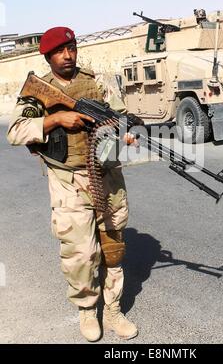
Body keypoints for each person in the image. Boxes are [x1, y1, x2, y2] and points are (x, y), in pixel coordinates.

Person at [7, 27, 138, 342]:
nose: (68, 55)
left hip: (106, 175)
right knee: (80, 254)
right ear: (48, 56)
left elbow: (123, 116)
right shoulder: (39, 90)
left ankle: (113, 311)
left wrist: (128, 132)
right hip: (67, 180)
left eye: (72, 48)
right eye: (60, 51)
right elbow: (15, 131)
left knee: (112, 248)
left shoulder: (96, 83)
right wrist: (55, 120)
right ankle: (87, 312)